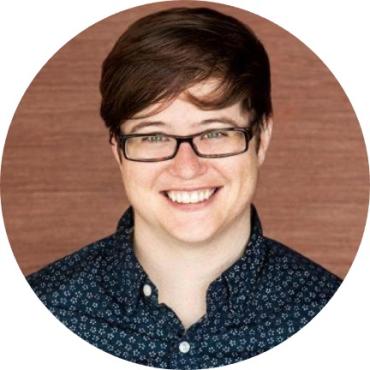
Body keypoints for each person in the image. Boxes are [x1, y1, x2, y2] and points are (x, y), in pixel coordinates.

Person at [27, 7, 342, 369]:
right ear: (118, 150)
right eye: (154, 135)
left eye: (215, 132)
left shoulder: (336, 314)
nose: (187, 168)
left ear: (262, 137)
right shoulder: (37, 310)